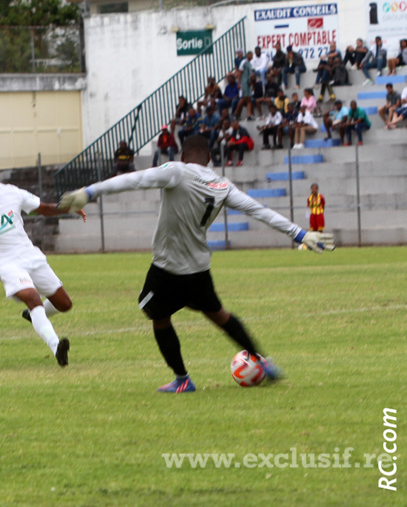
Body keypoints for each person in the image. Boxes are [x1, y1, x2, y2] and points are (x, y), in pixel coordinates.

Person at [57, 135, 334, 393]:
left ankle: (182, 379)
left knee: (159, 317)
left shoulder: (176, 170)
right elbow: (258, 210)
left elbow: (135, 179)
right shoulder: (222, 185)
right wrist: (299, 233)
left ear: (182, 154)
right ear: (210, 159)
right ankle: (263, 361)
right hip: (199, 268)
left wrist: (90, 192)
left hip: (167, 267)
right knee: (219, 315)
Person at [0, 152, 86, 367]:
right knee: (32, 297)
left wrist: (69, 206)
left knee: (64, 304)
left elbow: (44, 208)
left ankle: (33, 315)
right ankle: (56, 346)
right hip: (3, 263)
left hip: (29, 255)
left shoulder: (12, 193)